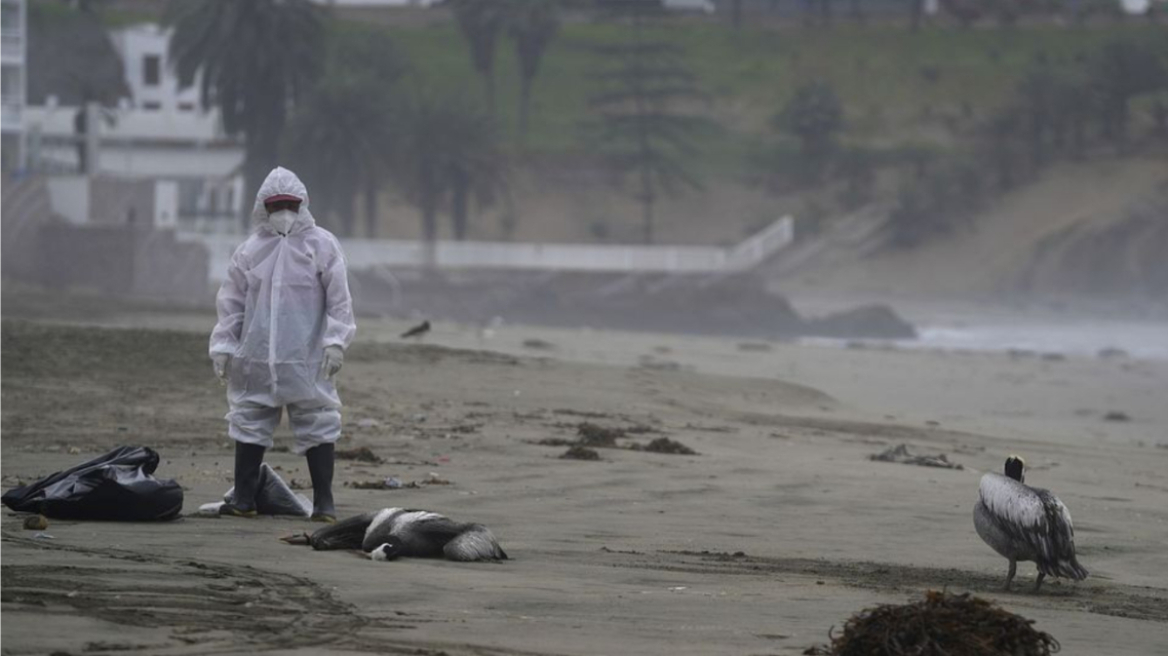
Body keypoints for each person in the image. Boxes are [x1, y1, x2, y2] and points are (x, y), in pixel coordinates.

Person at [209, 166, 356, 522]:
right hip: (256, 358)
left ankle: (324, 503)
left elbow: (339, 300)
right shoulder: (250, 251)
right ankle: (243, 498)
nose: (284, 212)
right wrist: (224, 346)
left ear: (302, 204)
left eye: (290, 204)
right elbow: (231, 303)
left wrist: (336, 342)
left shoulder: (321, 245)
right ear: (264, 207)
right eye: (277, 205)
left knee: (318, 419)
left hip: (306, 358)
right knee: (249, 420)